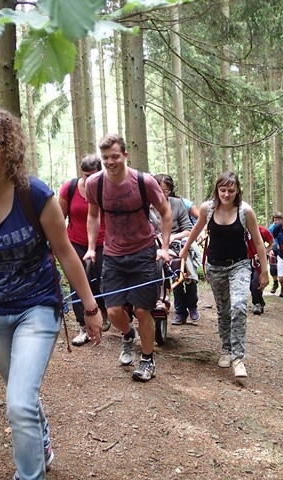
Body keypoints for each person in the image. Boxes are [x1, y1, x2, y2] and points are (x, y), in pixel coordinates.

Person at [0, 108, 103, 480]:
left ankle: (30, 475)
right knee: (21, 397)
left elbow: (65, 252)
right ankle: (41, 438)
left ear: (7, 148)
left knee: (18, 403)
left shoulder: (36, 195)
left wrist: (90, 307)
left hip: (37, 308)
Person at [84, 134, 172, 383]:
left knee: (143, 311)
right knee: (113, 311)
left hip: (143, 252)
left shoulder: (143, 182)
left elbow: (165, 213)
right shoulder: (95, 184)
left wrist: (164, 248)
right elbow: (93, 216)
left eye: (114, 156)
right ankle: (127, 334)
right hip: (112, 254)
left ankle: (147, 360)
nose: (110, 162)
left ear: (125, 155)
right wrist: (91, 247)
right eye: (105, 158)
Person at [179, 171, 268, 378]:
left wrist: (264, 271)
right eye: (223, 190)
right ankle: (226, 349)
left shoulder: (245, 211)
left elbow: (257, 242)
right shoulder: (207, 209)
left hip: (239, 265)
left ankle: (238, 358)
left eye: (231, 190)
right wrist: (185, 249)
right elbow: (196, 229)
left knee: (238, 307)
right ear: (217, 190)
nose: (226, 194)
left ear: (237, 191)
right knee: (224, 311)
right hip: (215, 267)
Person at [59, 154, 111, 346]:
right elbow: (59, 217)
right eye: (86, 175)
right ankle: (83, 326)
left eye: (94, 175)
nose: (89, 179)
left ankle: (103, 313)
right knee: (78, 283)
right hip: (75, 241)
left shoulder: (107, 188)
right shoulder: (69, 188)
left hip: (104, 242)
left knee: (103, 281)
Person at [152, 174, 200, 325]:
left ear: (170, 191)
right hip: (155, 244)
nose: (161, 194)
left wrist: (173, 237)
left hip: (178, 243)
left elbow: (188, 229)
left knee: (180, 267)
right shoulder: (147, 207)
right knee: (164, 267)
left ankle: (191, 305)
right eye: (157, 190)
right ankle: (176, 309)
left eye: (165, 191)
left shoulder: (177, 204)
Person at [250, 225, 274, 315]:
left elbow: (272, 244)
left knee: (256, 281)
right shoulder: (240, 230)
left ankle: (258, 304)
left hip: (259, 260)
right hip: (245, 260)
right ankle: (259, 301)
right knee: (249, 283)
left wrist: (263, 252)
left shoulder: (262, 230)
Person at [268, 212, 283, 296]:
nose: (277, 222)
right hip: (274, 249)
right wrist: (269, 249)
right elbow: (268, 239)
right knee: (272, 268)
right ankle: (275, 283)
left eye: (279, 220)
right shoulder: (271, 228)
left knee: (282, 269)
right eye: (275, 220)